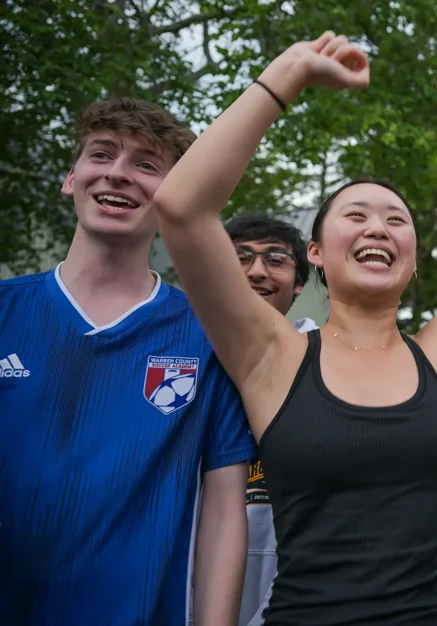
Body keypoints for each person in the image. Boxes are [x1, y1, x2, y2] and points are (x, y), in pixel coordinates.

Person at [153, 32, 437, 625]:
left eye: (396, 219)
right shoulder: (272, 353)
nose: (378, 228)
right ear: (315, 253)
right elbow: (182, 206)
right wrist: (287, 73)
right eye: (356, 215)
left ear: (412, 258)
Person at [0, 98, 255, 625]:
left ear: (174, 197)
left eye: (146, 164)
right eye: (102, 154)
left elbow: (224, 509)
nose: (118, 174)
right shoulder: (6, 311)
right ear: (71, 178)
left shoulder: (208, 334)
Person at [223, 215, 318, 626]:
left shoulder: (326, 368)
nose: (256, 270)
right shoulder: (177, 360)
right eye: (240, 257)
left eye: (275, 259)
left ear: (300, 282)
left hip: (295, 596)